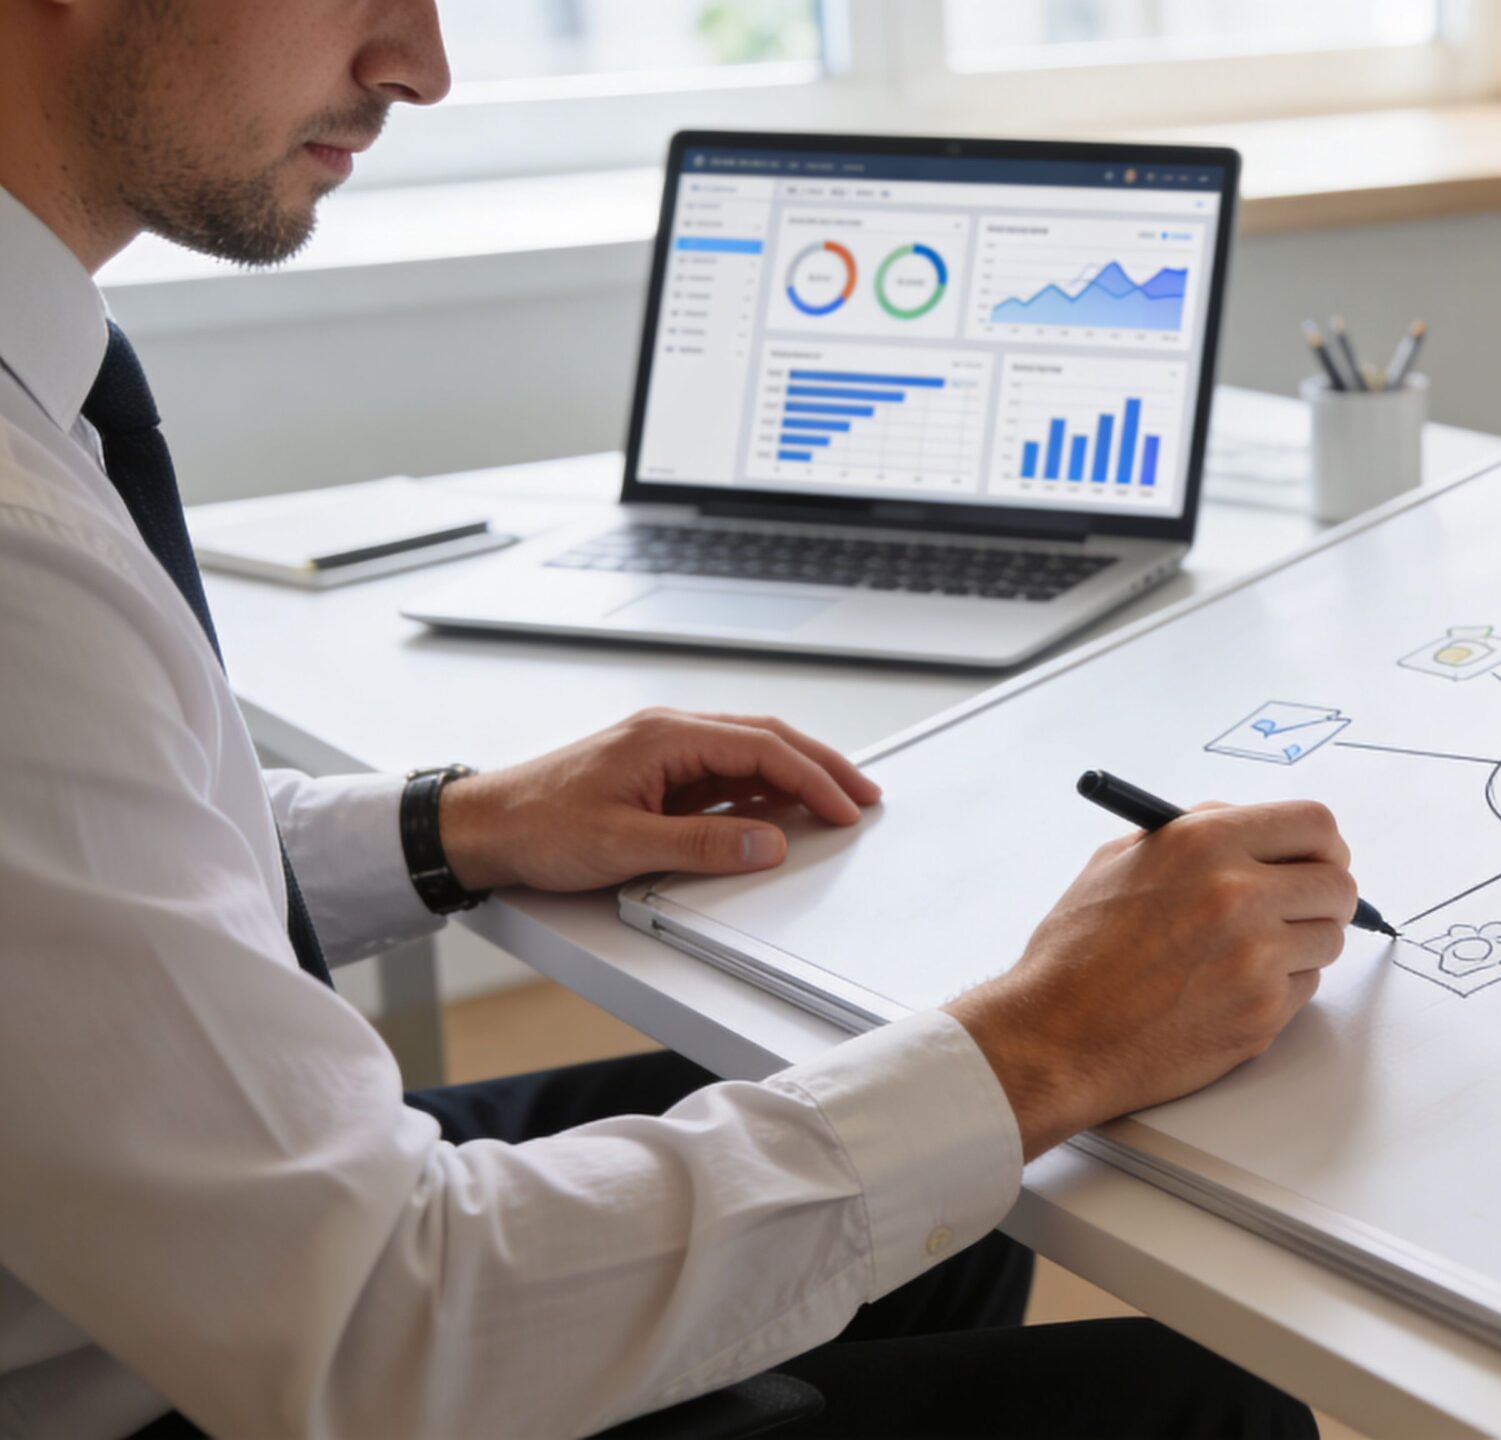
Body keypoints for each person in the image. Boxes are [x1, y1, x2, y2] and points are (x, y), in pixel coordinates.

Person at [0, 2, 1352, 1435]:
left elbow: (104, 853)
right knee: (1194, 1406)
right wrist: (1048, 1044)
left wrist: (455, 826)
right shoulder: (23, 564)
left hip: (124, 1260)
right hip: (192, 1374)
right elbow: (377, 1328)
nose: (422, 67)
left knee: (922, 1175)